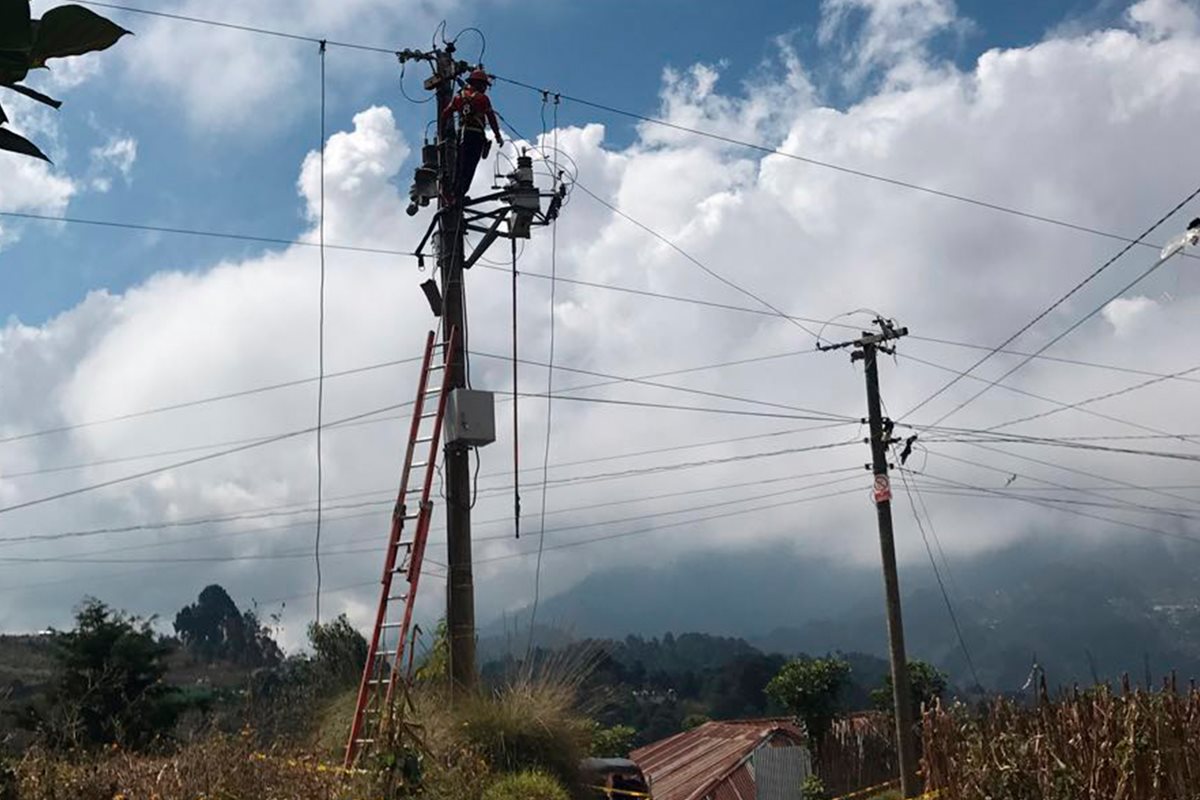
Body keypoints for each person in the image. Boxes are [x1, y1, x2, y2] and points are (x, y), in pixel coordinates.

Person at [441, 68, 503, 201]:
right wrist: (497, 135)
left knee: (460, 165)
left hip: (462, 136)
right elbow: (491, 118)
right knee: (469, 167)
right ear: (479, 84)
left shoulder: (458, 98)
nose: (485, 88)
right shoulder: (483, 99)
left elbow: (446, 113)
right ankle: (459, 195)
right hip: (476, 136)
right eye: (484, 85)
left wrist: (443, 131)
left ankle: (453, 193)